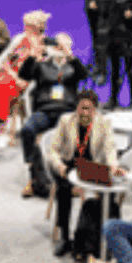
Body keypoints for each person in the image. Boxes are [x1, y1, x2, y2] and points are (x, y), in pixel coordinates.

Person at [42, 90, 121, 259]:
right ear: (76, 108)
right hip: (69, 164)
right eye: (82, 108)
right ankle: (64, 237)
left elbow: (110, 147)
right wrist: (59, 165)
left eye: (89, 109)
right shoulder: (65, 120)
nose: (85, 113)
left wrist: (113, 164)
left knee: (109, 192)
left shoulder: (104, 122)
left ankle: (98, 239)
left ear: (95, 109)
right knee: (63, 190)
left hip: (92, 165)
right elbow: (53, 149)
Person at [17, 35, 86, 198]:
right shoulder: (42, 66)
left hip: (67, 112)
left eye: (64, 46)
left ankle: (72, 180)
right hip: (45, 111)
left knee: (77, 134)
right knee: (27, 130)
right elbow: (24, 75)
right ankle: (33, 176)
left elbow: (84, 75)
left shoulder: (73, 66)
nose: (60, 49)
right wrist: (33, 55)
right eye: (58, 46)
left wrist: (70, 55)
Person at [0, 10, 48, 127]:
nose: (25, 28)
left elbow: (38, 69)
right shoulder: (19, 39)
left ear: (37, 27)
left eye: (28, 26)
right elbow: (5, 56)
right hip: (9, 73)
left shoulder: (44, 44)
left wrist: (11, 73)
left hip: (24, 78)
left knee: (2, 86)